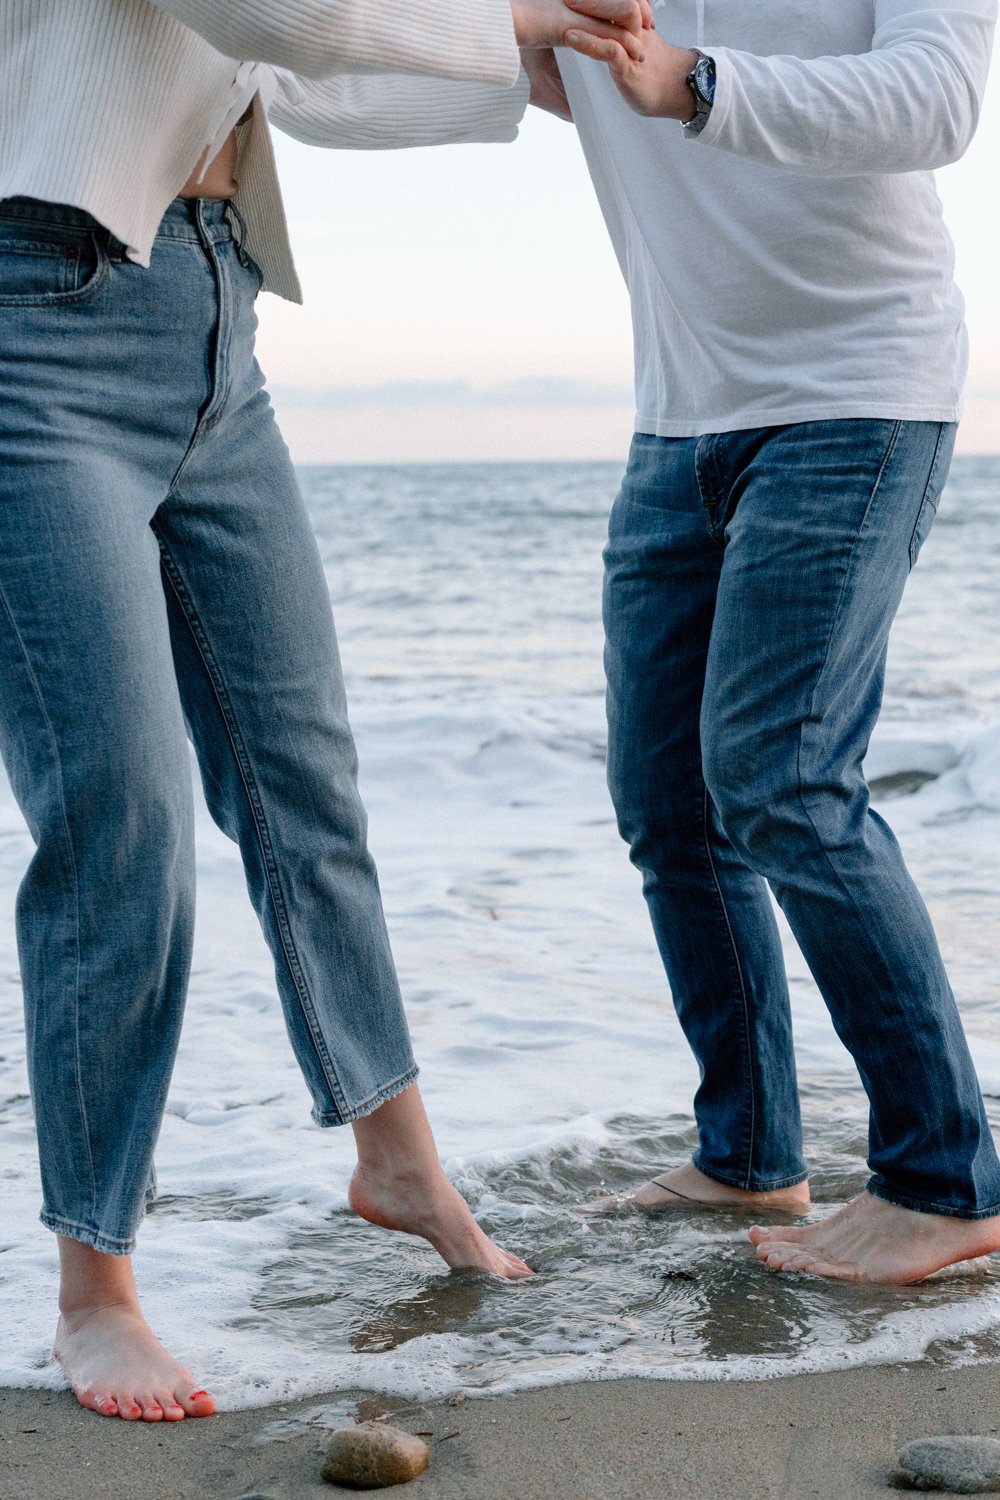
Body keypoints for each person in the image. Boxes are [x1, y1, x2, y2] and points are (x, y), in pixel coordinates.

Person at [0, 0, 649, 1424]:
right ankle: (93, 1293)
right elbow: (275, 4)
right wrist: (510, 21)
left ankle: (397, 1158)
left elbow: (288, 70)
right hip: (32, 330)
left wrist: (533, 76)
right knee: (124, 816)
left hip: (215, 321)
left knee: (305, 781)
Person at [521, 0, 1000, 1282]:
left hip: (858, 390)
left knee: (780, 777)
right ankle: (749, 1153)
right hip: (678, 413)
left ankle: (944, 1180)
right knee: (669, 804)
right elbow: (501, 66)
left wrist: (696, 82)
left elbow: (940, 100)